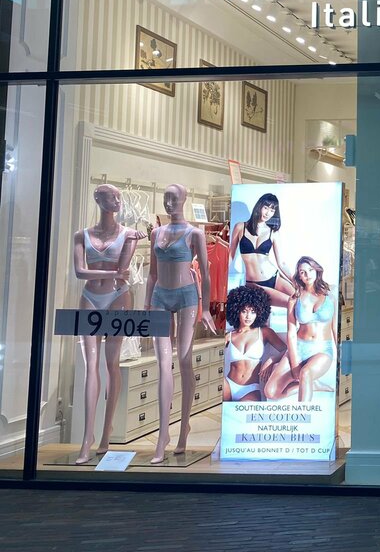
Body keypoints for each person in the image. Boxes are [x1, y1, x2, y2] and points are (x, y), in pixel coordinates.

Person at [72, 184, 142, 464]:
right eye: (111, 196)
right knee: (91, 367)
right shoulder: (82, 235)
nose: (117, 200)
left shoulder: (129, 234)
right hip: (90, 297)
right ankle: (87, 437)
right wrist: (113, 272)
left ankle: (106, 432)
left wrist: (114, 273)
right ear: (97, 199)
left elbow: (124, 271)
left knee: (112, 364)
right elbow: (79, 272)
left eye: (118, 196)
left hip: (118, 297)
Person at [146, 184, 216, 464]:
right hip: (159, 297)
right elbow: (152, 273)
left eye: (174, 198)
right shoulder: (156, 233)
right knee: (163, 364)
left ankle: (184, 426)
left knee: (184, 360)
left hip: (186, 296)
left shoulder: (194, 233)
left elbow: (206, 273)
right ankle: (163, 435)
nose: (169, 203)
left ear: (184, 200)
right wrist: (146, 304)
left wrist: (207, 308)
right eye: (166, 198)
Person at [263, 256, 337, 402]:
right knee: (270, 392)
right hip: (299, 348)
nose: (307, 274)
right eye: (303, 272)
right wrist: (294, 363)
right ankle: (313, 385)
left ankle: (304, 413)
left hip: (322, 349)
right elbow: (291, 334)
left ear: (317, 270)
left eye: (310, 270)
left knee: (306, 373)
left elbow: (335, 328)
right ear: (299, 276)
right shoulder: (294, 299)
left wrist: (342, 353)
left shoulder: (331, 294)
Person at [222, 285, 287, 402]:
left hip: (250, 389)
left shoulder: (264, 332)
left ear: (259, 312)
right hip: (228, 386)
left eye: (253, 311)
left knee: (242, 410)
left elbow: (286, 350)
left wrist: (272, 360)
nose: (248, 316)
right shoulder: (229, 336)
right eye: (244, 311)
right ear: (236, 311)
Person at [230, 193, 295, 307]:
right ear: (259, 206)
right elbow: (230, 256)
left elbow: (281, 263)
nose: (268, 213)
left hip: (274, 277)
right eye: (266, 208)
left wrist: (294, 280)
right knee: (291, 303)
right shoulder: (240, 227)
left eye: (272, 210)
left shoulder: (273, 232)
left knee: (300, 300)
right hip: (254, 284)